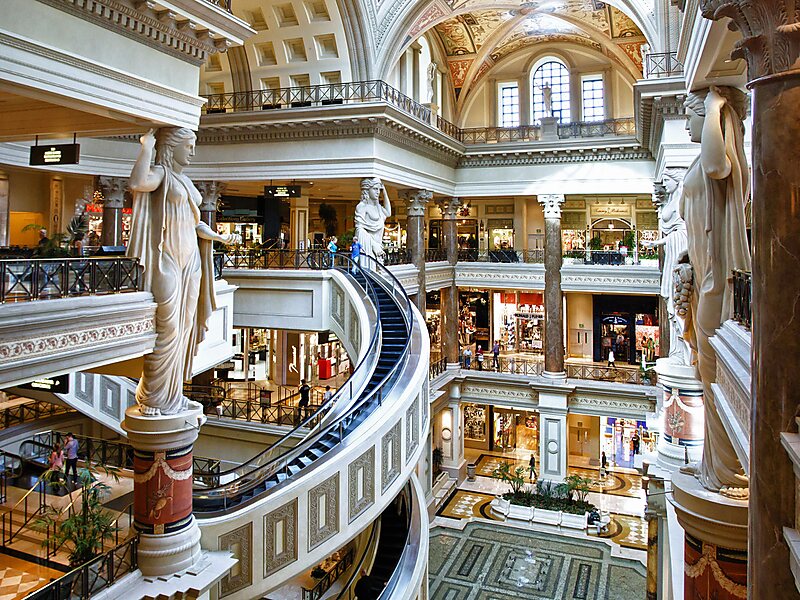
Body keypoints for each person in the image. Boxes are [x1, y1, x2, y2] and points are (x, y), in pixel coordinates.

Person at [128, 127, 239, 416]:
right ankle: (153, 397)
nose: (192, 151)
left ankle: (173, 395)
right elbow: (138, 182)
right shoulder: (162, 174)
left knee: (186, 327)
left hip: (191, 262)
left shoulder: (187, 182)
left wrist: (218, 237)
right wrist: (146, 147)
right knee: (168, 329)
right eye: (188, 145)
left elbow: (195, 223)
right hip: (167, 260)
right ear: (172, 147)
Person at [354, 177, 391, 264]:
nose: (378, 192)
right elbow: (359, 230)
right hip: (369, 247)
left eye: (379, 189)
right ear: (367, 190)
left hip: (378, 246)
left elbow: (388, 213)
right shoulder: (362, 207)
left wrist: (384, 191)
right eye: (375, 189)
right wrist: (373, 245)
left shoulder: (378, 208)